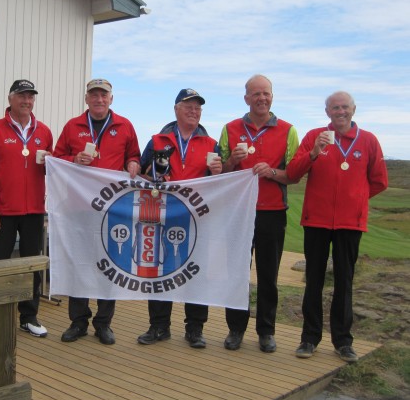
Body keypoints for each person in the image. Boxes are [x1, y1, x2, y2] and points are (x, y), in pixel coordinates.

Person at [287, 91, 388, 363]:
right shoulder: (314, 136)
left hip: (349, 224)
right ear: (327, 111)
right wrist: (314, 153)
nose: (340, 111)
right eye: (335, 108)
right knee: (314, 282)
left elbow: (379, 181)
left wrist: (355, 201)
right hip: (316, 221)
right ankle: (309, 339)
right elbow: (294, 173)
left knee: (344, 282)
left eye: (344, 107)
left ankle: (343, 342)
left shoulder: (367, 141)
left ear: (353, 109)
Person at [53, 78, 141, 345]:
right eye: (94, 95)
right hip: (78, 207)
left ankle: (103, 323)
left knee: (109, 266)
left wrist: (134, 163)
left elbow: (134, 155)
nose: (99, 100)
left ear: (111, 99)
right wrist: (73, 159)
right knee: (78, 264)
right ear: (86, 99)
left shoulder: (125, 126)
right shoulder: (72, 126)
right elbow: (56, 159)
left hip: (113, 208)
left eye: (103, 95)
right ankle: (78, 322)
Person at [219, 74, 299, 353]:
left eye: (266, 93)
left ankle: (266, 331)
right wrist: (232, 161)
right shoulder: (229, 128)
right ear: (246, 98)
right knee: (236, 274)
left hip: (272, 213)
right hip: (238, 213)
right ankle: (235, 329)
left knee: (268, 276)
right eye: (256, 94)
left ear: (272, 97)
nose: (261, 98)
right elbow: (220, 173)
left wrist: (273, 172)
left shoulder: (288, 130)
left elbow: (294, 175)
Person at [137, 88, 222, 348]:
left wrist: (220, 169)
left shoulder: (210, 144)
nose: (193, 111)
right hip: (163, 215)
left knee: (197, 273)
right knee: (160, 270)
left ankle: (195, 329)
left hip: (197, 218)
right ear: (176, 109)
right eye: (188, 106)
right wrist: (152, 176)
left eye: (197, 107)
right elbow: (140, 174)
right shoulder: (157, 140)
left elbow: (220, 183)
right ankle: (159, 326)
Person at [0, 79, 54, 338]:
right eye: (22, 96)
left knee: (32, 263)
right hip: (2, 211)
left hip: (33, 210)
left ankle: (29, 316)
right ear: (10, 99)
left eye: (31, 97)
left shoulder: (43, 131)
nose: (27, 101)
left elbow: (51, 170)